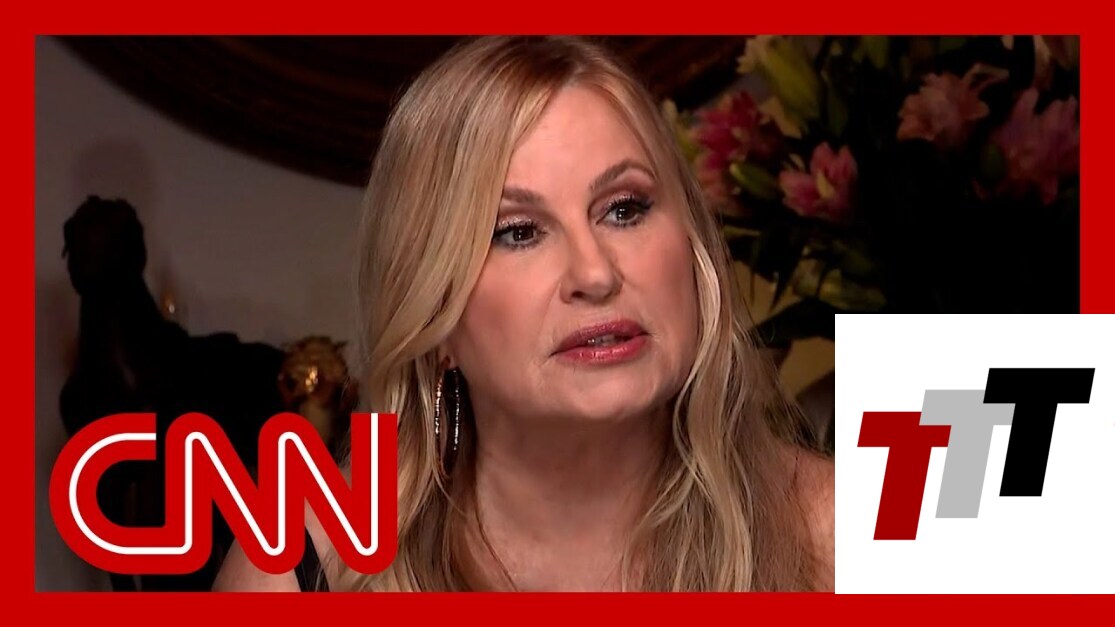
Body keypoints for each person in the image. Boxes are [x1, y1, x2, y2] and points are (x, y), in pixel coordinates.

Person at [213, 35, 834, 593]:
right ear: (433, 314)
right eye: (517, 232)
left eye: (624, 209)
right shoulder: (297, 573)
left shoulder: (848, 539)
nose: (595, 274)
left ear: (692, 250)